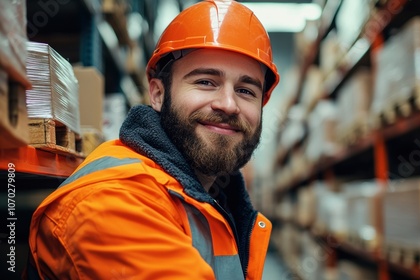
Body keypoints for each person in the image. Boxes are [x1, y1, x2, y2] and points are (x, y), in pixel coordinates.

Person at [25, 0, 280, 279]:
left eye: (245, 90)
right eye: (206, 82)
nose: (228, 104)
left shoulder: (219, 200)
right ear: (158, 94)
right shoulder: (112, 202)